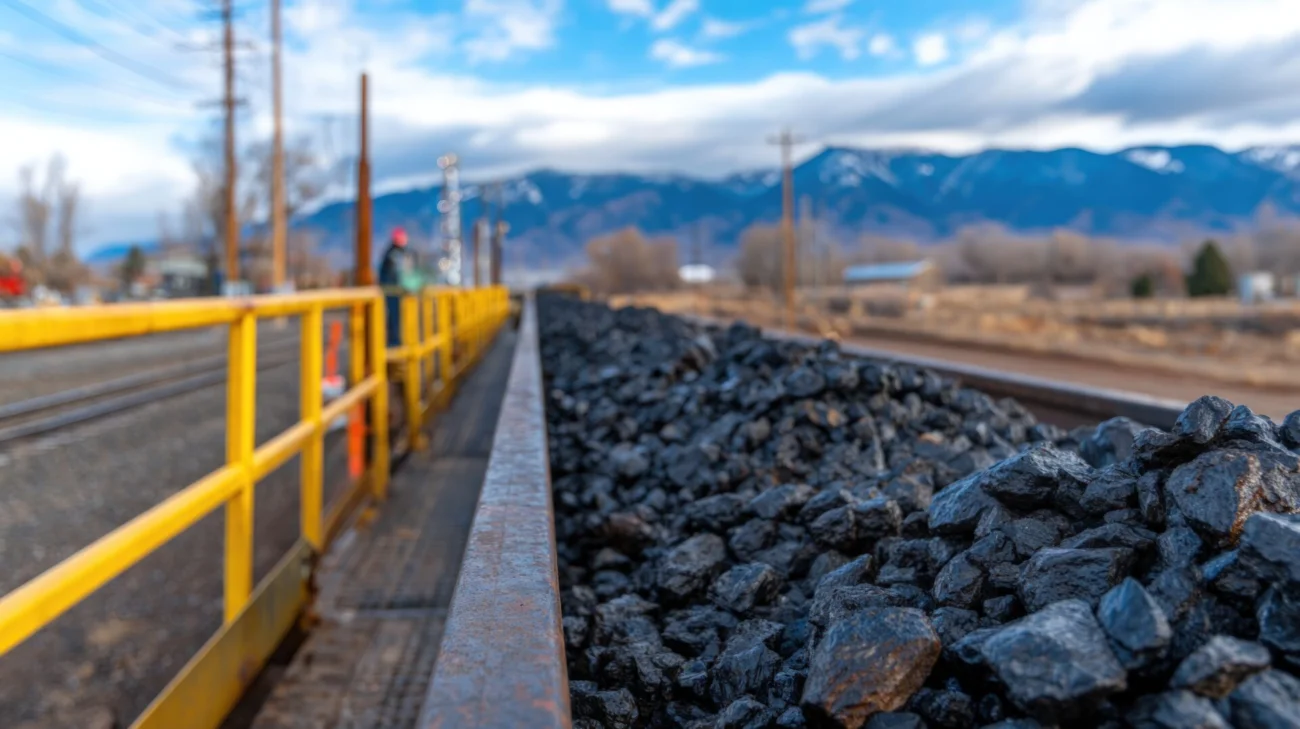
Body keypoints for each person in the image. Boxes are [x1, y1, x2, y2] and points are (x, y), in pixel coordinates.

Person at [378, 227, 410, 347]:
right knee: (394, 319)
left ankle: (394, 341)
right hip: (392, 292)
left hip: (392, 291)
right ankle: (394, 343)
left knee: (394, 319)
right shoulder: (395, 254)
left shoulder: (392, 253)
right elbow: (399, 274)